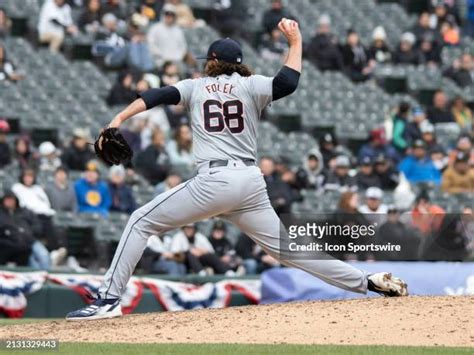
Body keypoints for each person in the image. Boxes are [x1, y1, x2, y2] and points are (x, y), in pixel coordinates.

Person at [67, 19, 407, 321]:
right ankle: (366, 281)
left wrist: (118, 119)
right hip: (249, 183)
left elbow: (156, 95)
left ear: (213, 62)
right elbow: (287, 82)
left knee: (140, 221)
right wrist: (295, 42)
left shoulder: (195, 86)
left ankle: (108, 300)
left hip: (215, 181)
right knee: (288, 251)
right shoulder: (251, 85)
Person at [11, 169, 62, 250]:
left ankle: (55, 251)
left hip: (44, 215)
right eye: (26, 177)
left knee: (52, 226)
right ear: (22, 177)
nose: (28, 179)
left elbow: (46, 203)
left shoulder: (37, 189)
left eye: (30, 177)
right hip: (27, 215)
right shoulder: (17, 188)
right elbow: (19, 204)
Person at [0, 191, 51, 270]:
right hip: (14, 244)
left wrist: (28, 233)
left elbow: (38, 226)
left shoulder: (25, 211)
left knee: (43, 255)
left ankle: (47, 275)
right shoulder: (1, 214)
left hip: (30, 240)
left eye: (11, 200)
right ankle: (39, 277)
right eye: (7, 200)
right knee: (33, 264)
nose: (9, 202)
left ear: (16, 201)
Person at [147, 4, 187, 68]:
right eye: (167, 14)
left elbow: (183, 47)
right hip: (160, 62)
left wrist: (178, 57)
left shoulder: (178, 30)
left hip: (176, 62)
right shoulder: (155, 28)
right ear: (163, 15)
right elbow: (151, 44)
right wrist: (162, 56)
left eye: (171, 15)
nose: (169, 16)